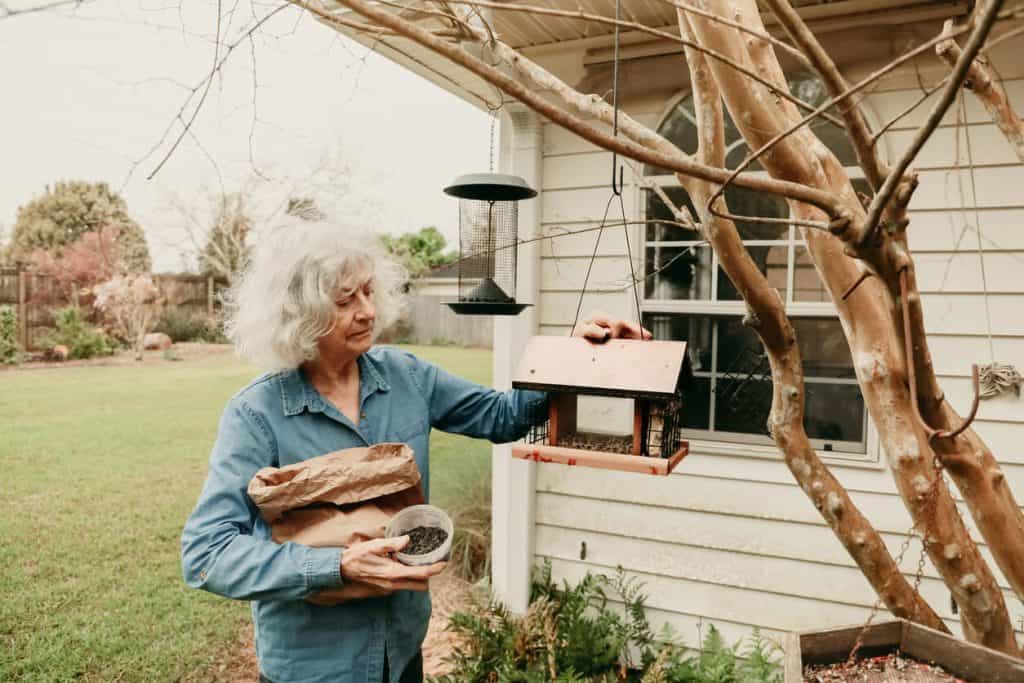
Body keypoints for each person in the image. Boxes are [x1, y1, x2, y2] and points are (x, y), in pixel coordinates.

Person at [180, 218, 650, 683]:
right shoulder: (257, 413)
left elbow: (503, 415)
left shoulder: (407, 375)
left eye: (367, 290)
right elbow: (207, 553)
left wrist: (570, 354)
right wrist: (337, 565)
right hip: (312, 668)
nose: (367, 310)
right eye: (345, 300)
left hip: (401, 656)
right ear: (298, 313)